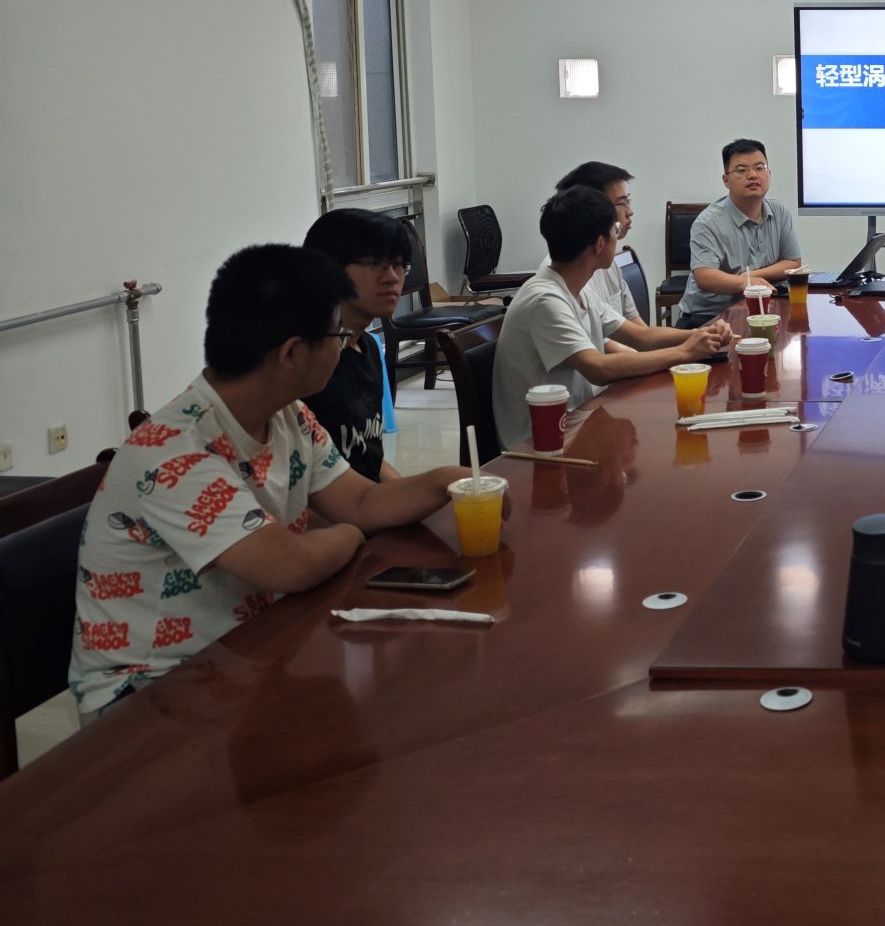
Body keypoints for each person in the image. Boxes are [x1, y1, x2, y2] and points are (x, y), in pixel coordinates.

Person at [71, 245, 480, 720]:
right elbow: (289, 565)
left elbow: (362, 500)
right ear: (292, 353)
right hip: (149, 692)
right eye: (338, 334)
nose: (344, 346)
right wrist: (349, 534)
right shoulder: (174, 451)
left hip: (251, 651)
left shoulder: (288, 415)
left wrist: (447, 482)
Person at [492, 186, 733, 442]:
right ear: (600, 243)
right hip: (541, 442)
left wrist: (700, 334)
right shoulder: (545, 300)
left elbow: (642, 337)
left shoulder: (576, 290)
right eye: (615, 231)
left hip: (578, 422)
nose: (617, 237)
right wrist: (685, 353)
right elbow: (598, 368)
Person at [300, 208, 409, 481]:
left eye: (398, 265)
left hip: (366, 499)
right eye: (374, 263)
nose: (392, 277)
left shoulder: (367, 347)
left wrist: (407, 491)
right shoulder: (305, 360)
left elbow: (369, 458)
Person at [677, 138, 804, 328]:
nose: (752, 175)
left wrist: (750, 277)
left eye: (759, 168)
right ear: (726, 180)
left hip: (759, 311)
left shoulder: (780, 212)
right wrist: (746, 282)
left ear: (769, 174)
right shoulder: (707, 222)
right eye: (741, 170)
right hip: (709, 317)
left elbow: (793, 262)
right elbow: (705, 277)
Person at [553, 160, 642, 330]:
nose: (630, 212)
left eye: (628, 201)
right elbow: (603, 345)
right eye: (621, 203)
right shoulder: (570, 275)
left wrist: (694, 338)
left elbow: (641, 334)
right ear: (592, 207)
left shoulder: (608, 263)